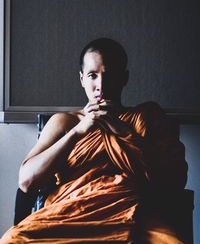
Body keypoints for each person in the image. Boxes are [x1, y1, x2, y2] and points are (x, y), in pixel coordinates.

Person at [1, 38, 188, 243]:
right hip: (68, 216)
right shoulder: (66, 122)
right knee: (13, 239)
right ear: (82, 79)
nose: (101, 86)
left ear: (124, 78)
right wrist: (77, 132)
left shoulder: (144, 117)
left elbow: (173, 180)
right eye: (92, 76)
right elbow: (27, 181)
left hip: (132, 215)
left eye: (110, 76)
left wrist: (122, 130)